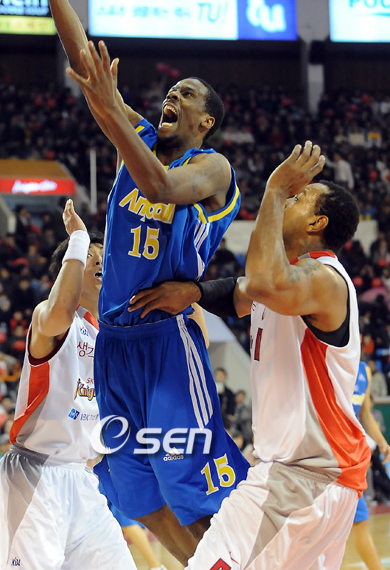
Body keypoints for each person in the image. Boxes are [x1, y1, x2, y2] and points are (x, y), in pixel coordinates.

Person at [18, 0, 249, 567]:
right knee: (137, 495)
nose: (173, 96)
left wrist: (109, 110)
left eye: (187, 95)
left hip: (166, 344)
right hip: (116, 347)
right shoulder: (139, 138)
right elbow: (83, 60)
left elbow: (160, 184)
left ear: (206, 120)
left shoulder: (213, 169)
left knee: (193, 492)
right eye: (170, 90)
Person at [130, 142, 372, 569]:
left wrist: (276, 189)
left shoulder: (324, 279)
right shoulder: (289, 281)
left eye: (300, 199)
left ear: (317, 222)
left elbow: (259, 283)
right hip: (317, 476)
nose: (290, 199)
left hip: (303, 475)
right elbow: (240, 292)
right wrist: (194, 292)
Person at [0, 200, 136, 570]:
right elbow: (60, 310)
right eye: (90, 257)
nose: (100, 262)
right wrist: (79, 237)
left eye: (104, 256)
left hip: (81, 477)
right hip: (36, 472)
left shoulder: (110, 336)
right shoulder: (49, 317)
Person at [351, 359, 390, 570]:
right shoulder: (328, 358)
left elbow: (364, 413)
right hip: (322, 457)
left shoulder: (364, 370)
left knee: (360, 521)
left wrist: (381, 442)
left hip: (348, 460)